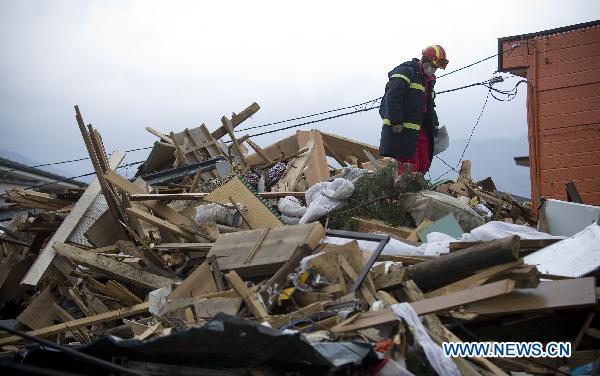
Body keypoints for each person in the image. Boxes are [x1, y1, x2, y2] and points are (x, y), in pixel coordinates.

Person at [378, 45, 448, 175]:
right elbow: (393, 97)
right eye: (432, 66)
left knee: (424, 162)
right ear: (424, 59)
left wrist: (435, 124)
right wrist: (396, 121)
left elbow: (430, 105)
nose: (433, 70)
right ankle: (405, 192)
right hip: (402, 129)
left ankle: (417, 187)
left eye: (436, 68)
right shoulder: (405, 72)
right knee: (408, 165)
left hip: (420, 128)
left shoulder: (429, 80)